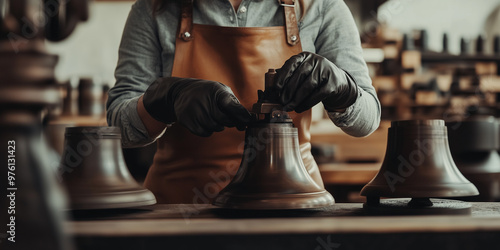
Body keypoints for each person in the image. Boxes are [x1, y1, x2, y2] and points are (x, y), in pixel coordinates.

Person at [107, 0, 381, 204]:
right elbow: (120, 126)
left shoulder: (320, 7)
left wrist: (343, 89)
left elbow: (367, 121)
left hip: (290, 203)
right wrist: (164, 100)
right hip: (181, 210)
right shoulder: (154, 9)